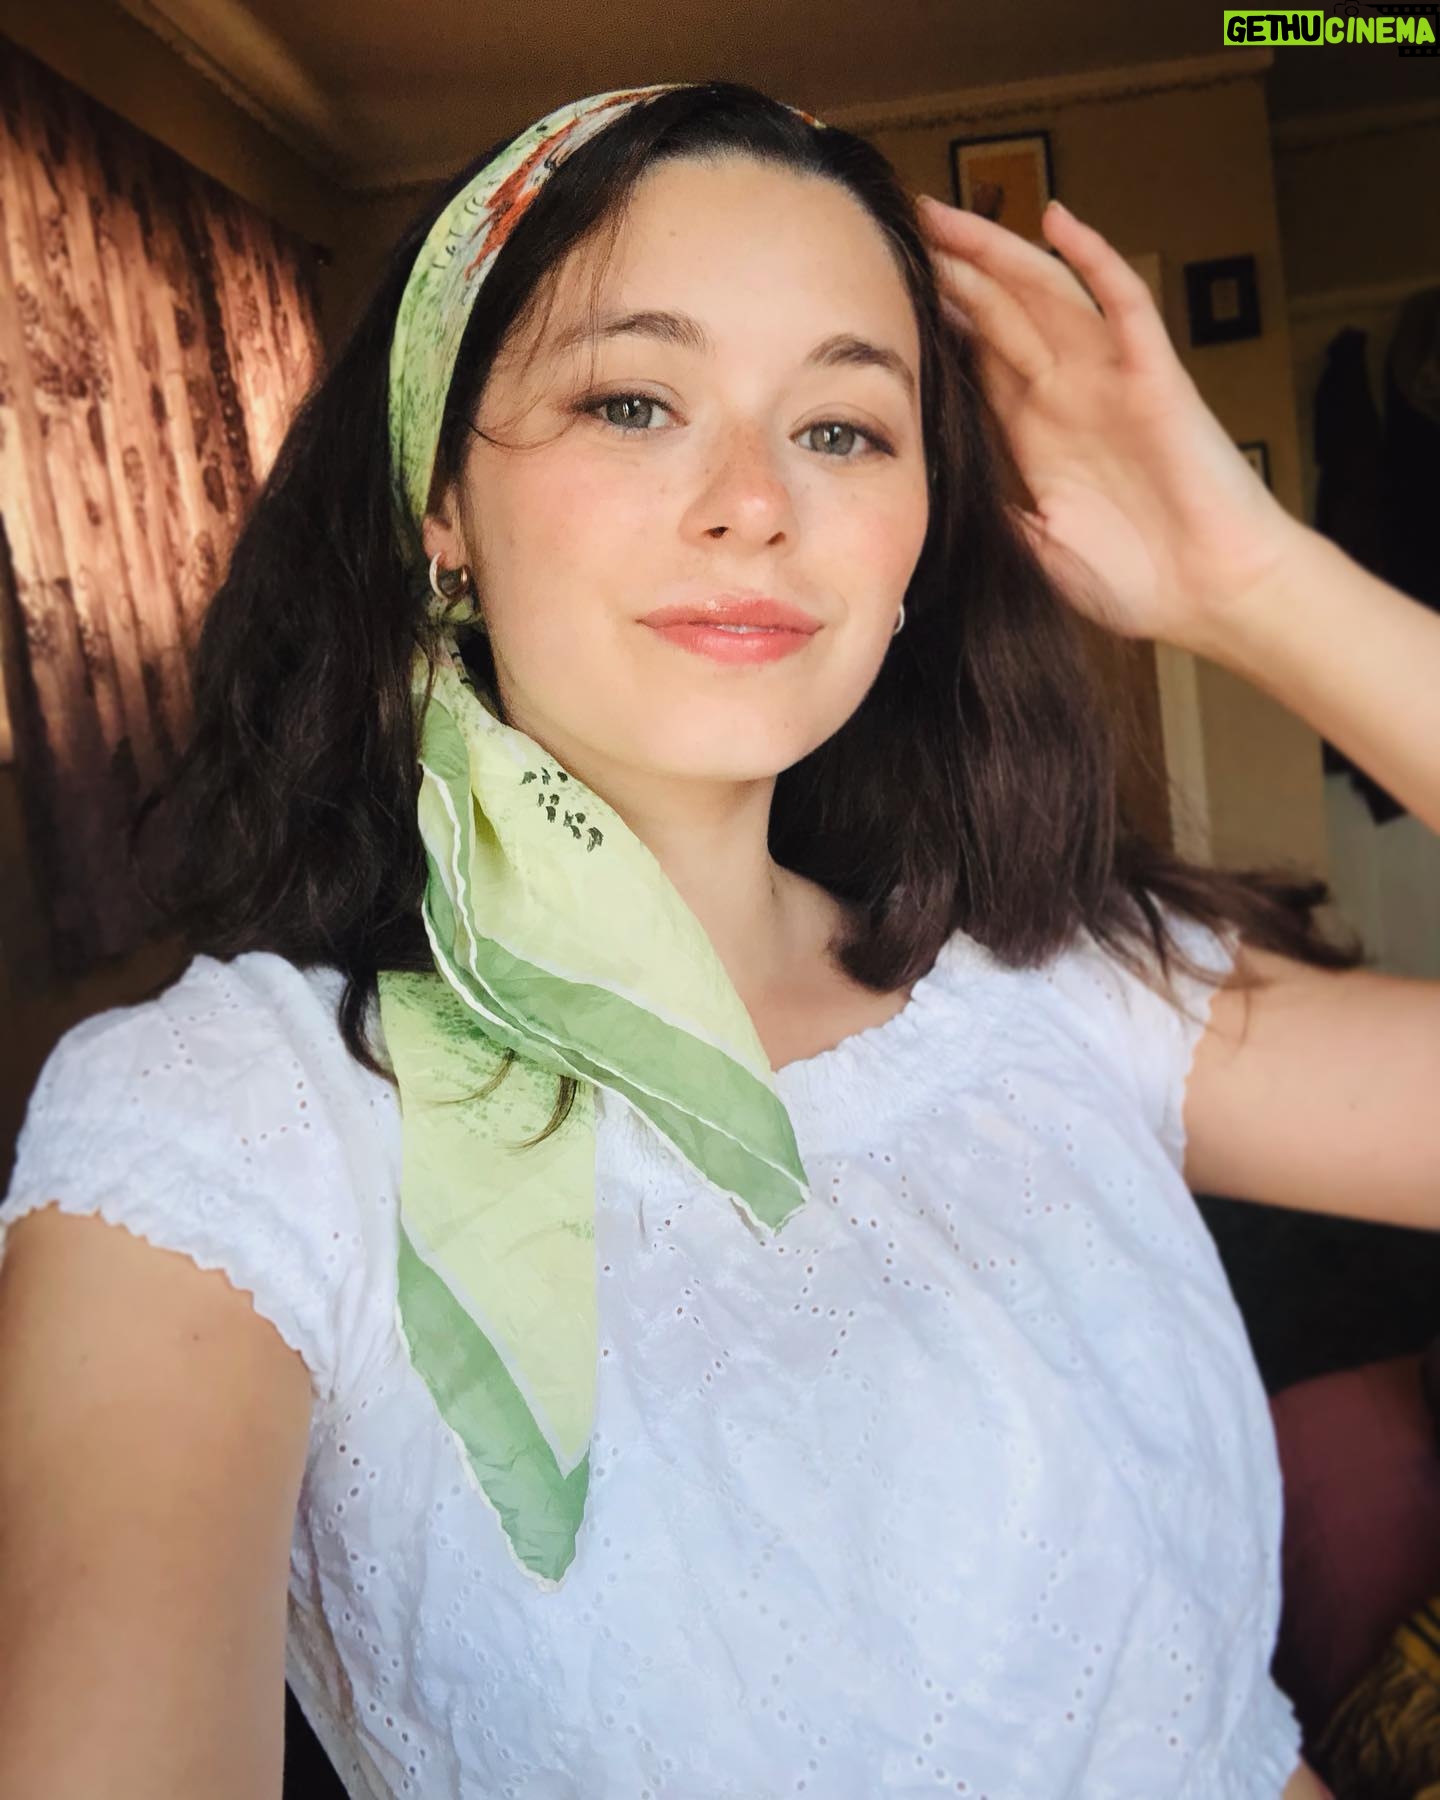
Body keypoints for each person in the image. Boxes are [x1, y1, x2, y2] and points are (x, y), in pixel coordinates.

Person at [0, 78, 1433, 1800]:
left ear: (917, 541)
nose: (755, 501)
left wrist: (1249, 576)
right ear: (437, 499)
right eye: (633, 401)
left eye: (844, 429)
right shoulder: (236, 1119)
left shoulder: (1051, 985)